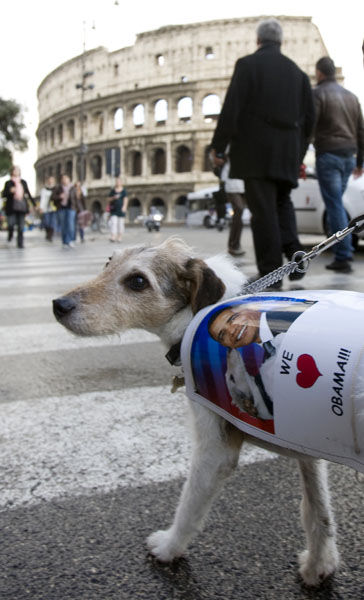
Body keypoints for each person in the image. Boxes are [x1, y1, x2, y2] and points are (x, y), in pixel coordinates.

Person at [210, 18, 315, 288]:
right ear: (280, 41)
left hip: (255, 153)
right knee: (283, 205)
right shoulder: (299, 75)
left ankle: (271, 273)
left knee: (263, 212)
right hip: (287, 153)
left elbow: (232, 108)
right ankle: (296, 258)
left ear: (259, 40)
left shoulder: (247, 65)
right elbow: (310, 121)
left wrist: (218, 147)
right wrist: (298, 154)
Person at [208, 301, 313, 419]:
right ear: (226, 345)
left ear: (249, 310)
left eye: (233, 318)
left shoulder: (290, 316)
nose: (232, 331)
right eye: (223, 335)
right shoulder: (270, 362)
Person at [312, 56, 364, 273]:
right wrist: (360, 161)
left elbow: (310, 126)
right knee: (337, 204)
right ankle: (344, 251)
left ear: (319, 73)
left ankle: (343, 256)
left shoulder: (318, 93)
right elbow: (361, 131)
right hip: (348, 157)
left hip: (329, 155)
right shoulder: (351, 97)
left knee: (334, 205)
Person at [1, 166, 36, 249]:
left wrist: (34, 204)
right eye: (15, 170)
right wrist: (10, 191)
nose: (17, 172)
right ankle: (10, 235)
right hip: (11, 207)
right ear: (12, 172)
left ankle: (20, 243)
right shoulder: (8, 183)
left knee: (21, 226)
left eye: (18, 170)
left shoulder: (23, 182)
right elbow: (3, 195)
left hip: (22, 206)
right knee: (10, 224)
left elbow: (28, 194)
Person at [220, 154, 245, 256]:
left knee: (239, 217)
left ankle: (235, 244)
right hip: (232, 186)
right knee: (239, 210)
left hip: (243, 186)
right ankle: (233, 244)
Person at [51, 174, 76, 248]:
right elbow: (52, 197)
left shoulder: (72, 188)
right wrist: (59, 197)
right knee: (63, 225)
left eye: (66, 178)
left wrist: (81, 209)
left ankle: (71, 240)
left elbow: (77, 199)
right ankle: (65, 241)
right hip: (61, 208)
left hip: (71, 208)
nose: (64, 180)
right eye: (63, 178)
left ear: (69, 179)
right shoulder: (58, 188)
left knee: (70, 225)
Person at [108, 177, 128, 242]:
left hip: (121, 209)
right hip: (114, 209)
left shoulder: (123, 191)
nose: (118, 183)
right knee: (113, 223)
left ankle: (119, 237)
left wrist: (124, 207)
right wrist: (114, 197)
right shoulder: (113, 191)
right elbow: (108, 199)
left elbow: (125, 199)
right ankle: (113, 236)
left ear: (121, 182)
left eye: (119, 181)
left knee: (120, 224)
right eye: (117, 181)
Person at [39, 176, 57, 241]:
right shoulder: (44, 189)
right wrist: (41, 208)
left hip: (53, 208)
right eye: (49, 180)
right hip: (46, 208)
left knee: (52, 222)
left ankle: (50, 236)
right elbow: (42, 199)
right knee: (47, 222)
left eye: (52, 180)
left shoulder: (56, 189)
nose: (50, 181)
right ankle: (47, 233)